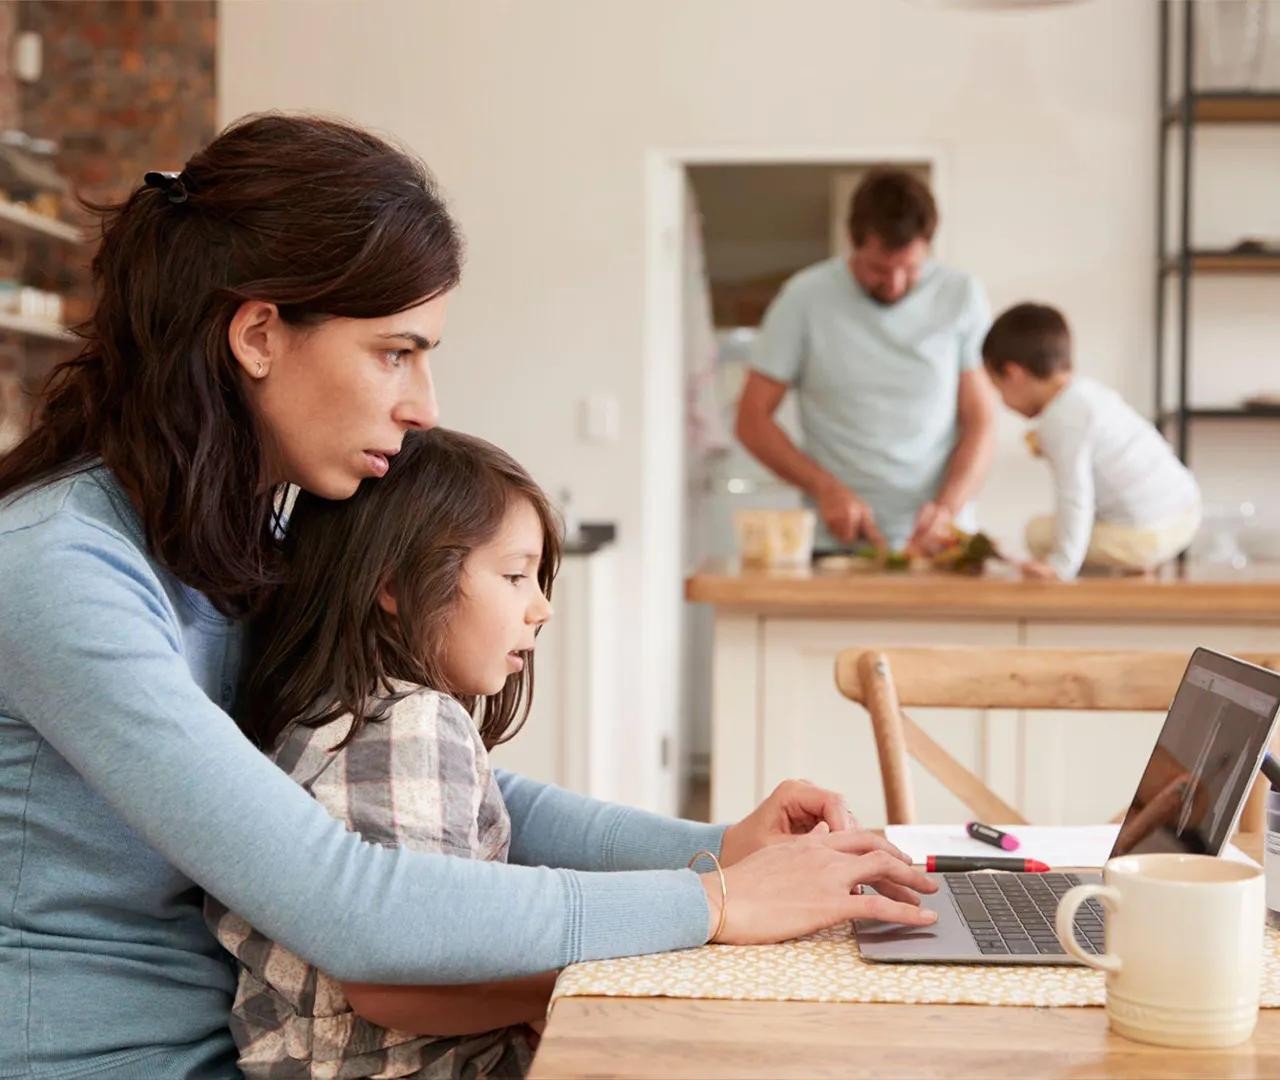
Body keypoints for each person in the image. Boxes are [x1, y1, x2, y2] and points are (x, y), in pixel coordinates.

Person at [0, 114, 937, 1078]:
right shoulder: (64, 571)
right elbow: (352, 904)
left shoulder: (244, 535)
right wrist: (717, 904)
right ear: (258, 334)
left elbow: (452, 785)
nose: (424, 405)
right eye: (395, 352)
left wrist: (720, 848)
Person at [208, 428, 563, 1077]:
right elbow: (400, 980)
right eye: (515, 574)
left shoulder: (330, 712)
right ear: (395, 585)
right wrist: (571, 985)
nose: (540, 605)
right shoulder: (410, 723)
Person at [735, 167, 995, 555]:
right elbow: (751, 420)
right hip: (835, 544)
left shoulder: (961, 296)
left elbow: (981, 421)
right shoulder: (804, 298)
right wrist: (823, 487)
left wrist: (947, 508)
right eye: (878, 269)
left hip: (939, 544)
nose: (894, 285)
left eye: (909, 269)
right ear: (853, 243)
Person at [981, 302, 1201, 581]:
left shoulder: (1060, 419)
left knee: (1037, 533)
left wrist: (1060, 564)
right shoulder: (1089, 395)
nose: (1004, 401)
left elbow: (1074, 496)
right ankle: (1134, 565)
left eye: (999, 389)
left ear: (1014, 374)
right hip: (1185, 513)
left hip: (1147, 535)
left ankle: (1120, 566)